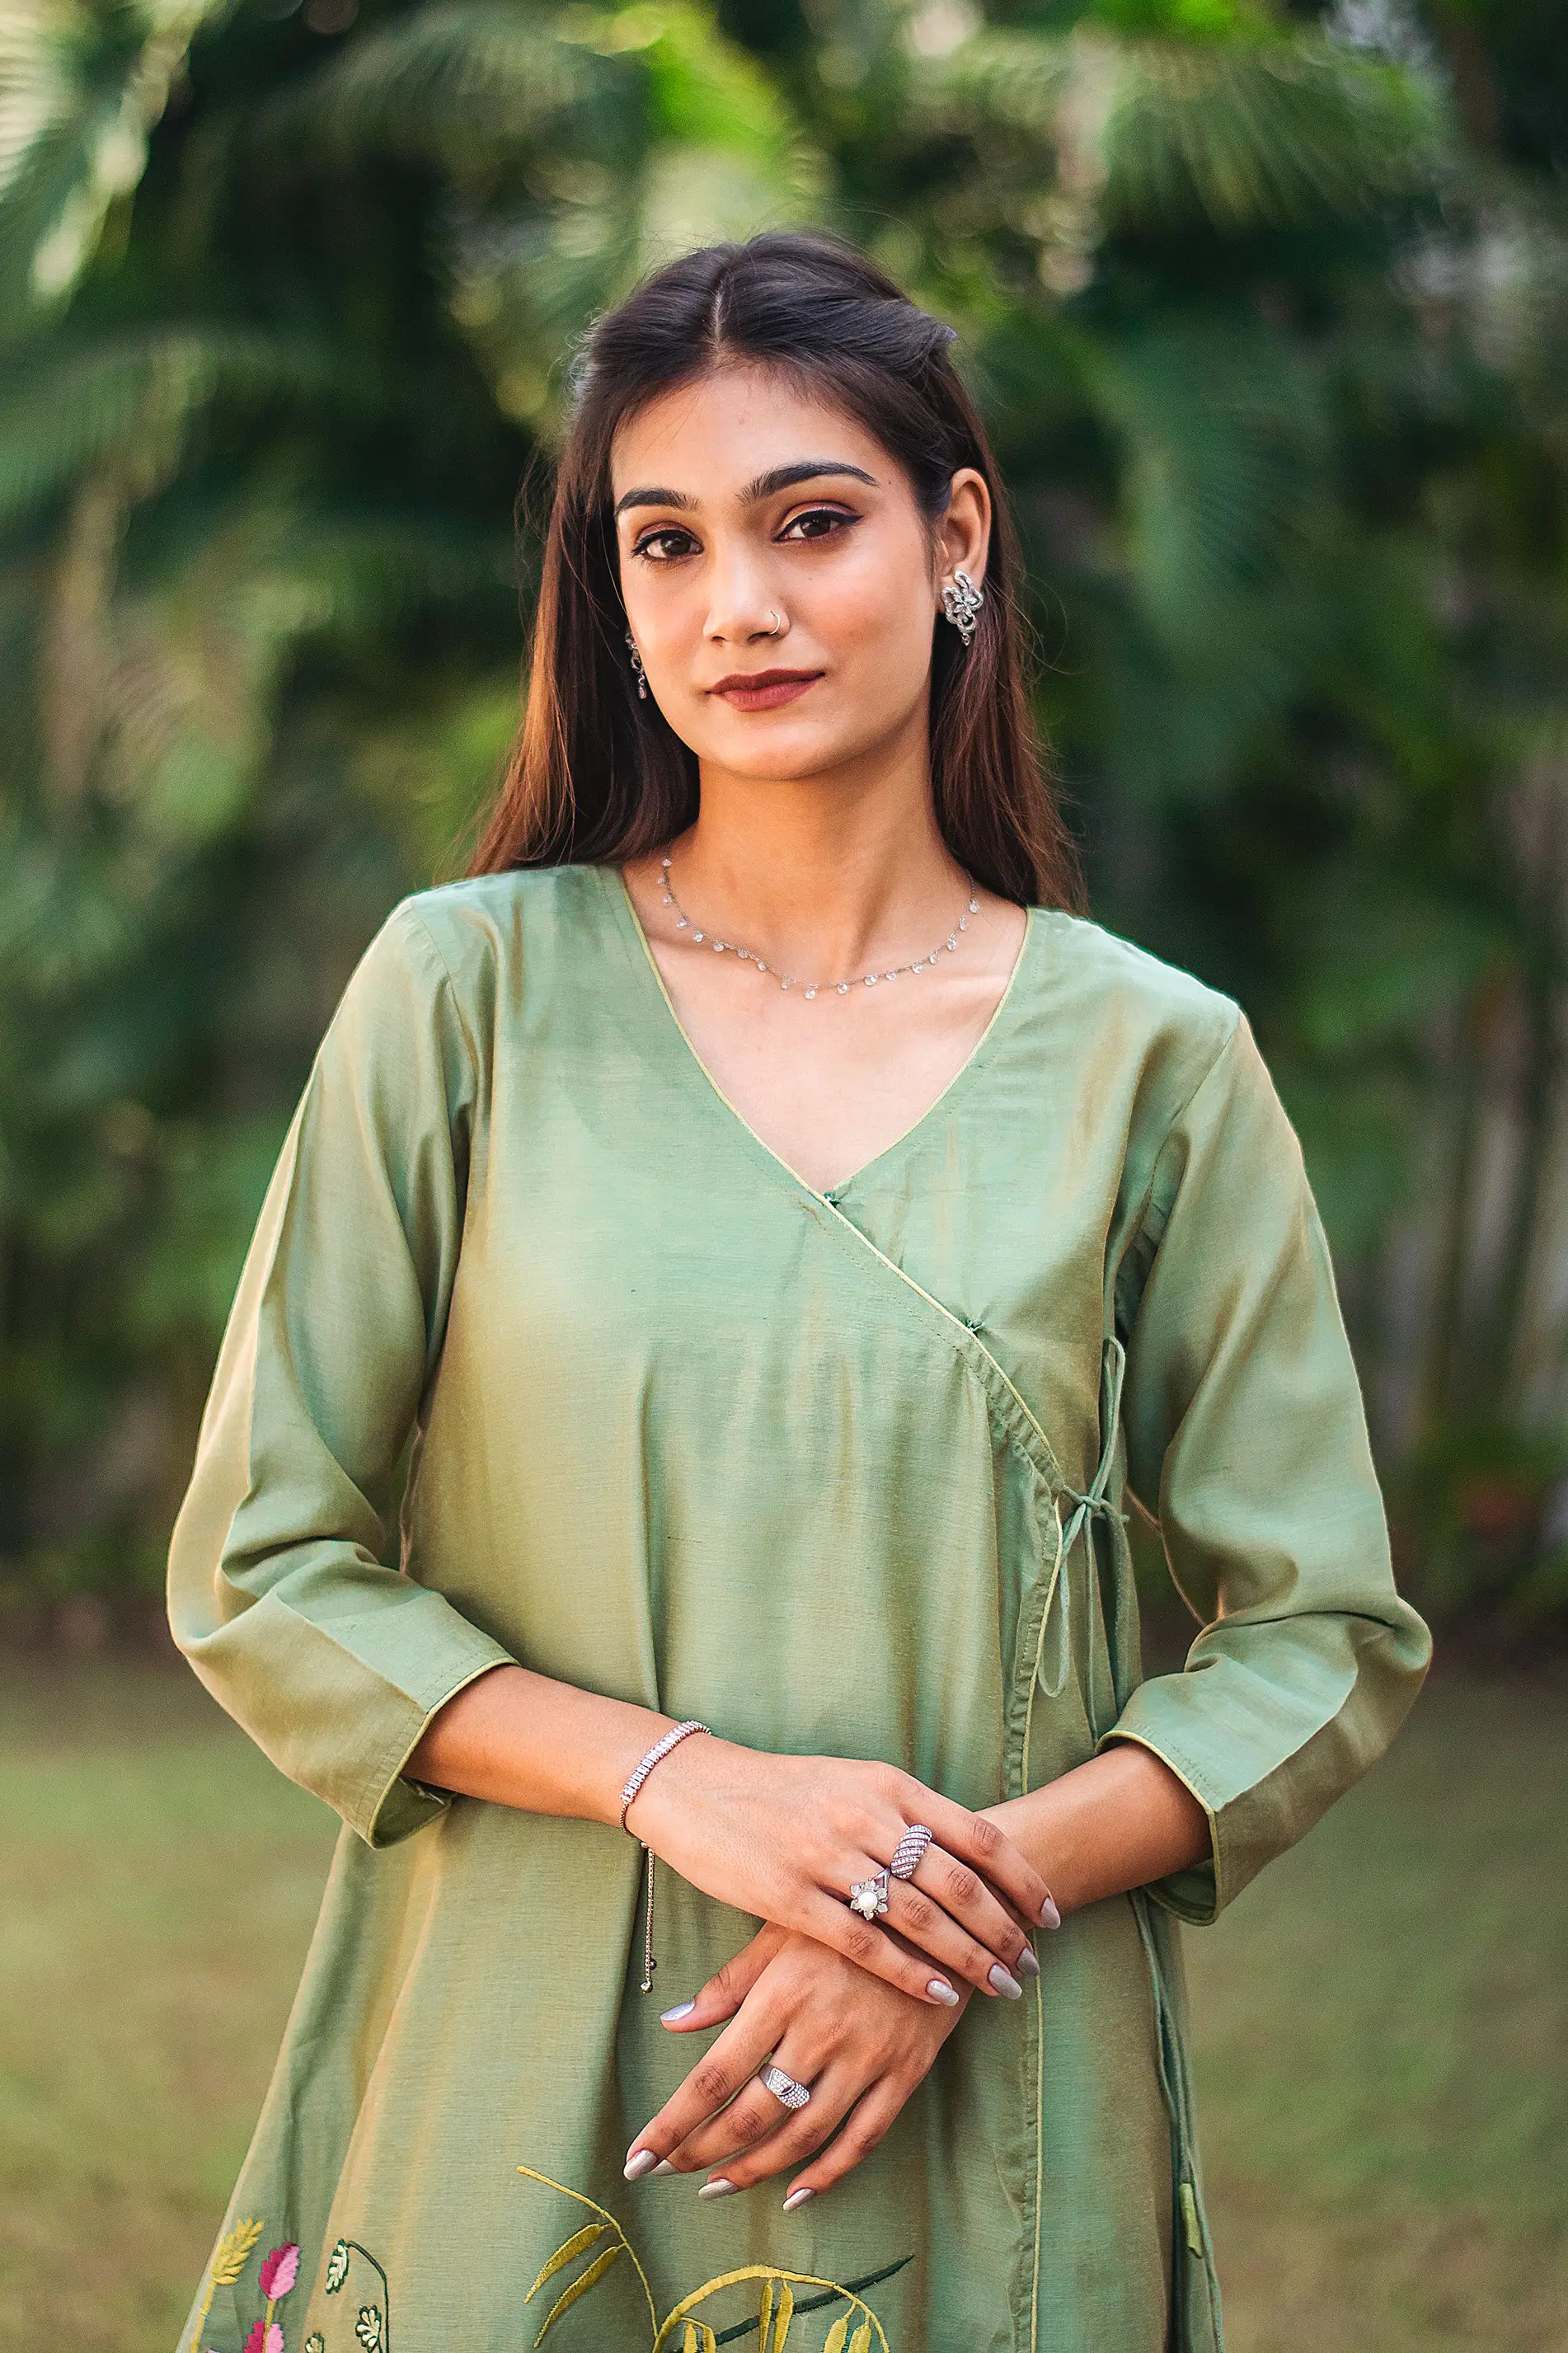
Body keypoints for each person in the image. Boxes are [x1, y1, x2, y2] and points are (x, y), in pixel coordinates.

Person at [167, 229, 1432, 2353]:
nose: (735, 604)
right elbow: (267, 1564)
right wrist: (691, 1784)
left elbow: (1319, 1634)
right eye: (663, 546)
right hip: (533, 2048)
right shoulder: (466, 996)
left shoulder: (1151, 1061)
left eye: (810, 522)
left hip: (985, 2084)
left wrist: (933, 1919)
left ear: (956, 539)